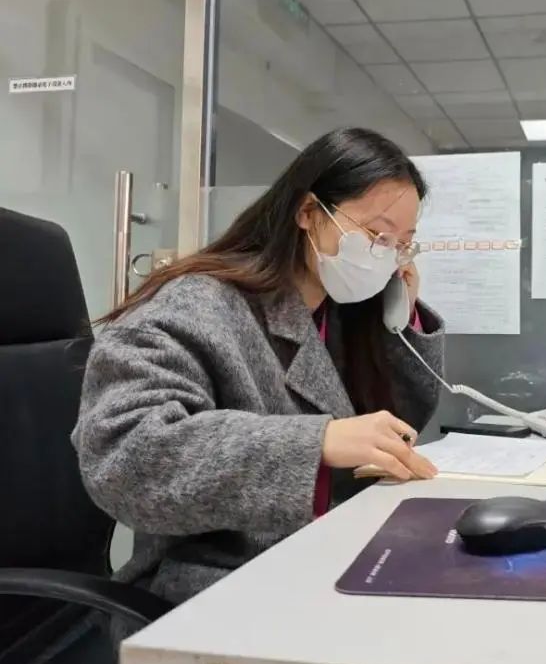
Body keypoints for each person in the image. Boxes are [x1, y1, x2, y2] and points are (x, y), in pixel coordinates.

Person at [72, 127, 441, 615]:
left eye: (402, 244)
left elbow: (396, 428)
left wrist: (400, 323)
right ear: (308, 213)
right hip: (211, 586)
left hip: (320, 555)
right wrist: (317, 443)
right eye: (377, 235)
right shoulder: (198, 303)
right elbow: (123, 456)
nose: (388, 256)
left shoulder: (344, 311)